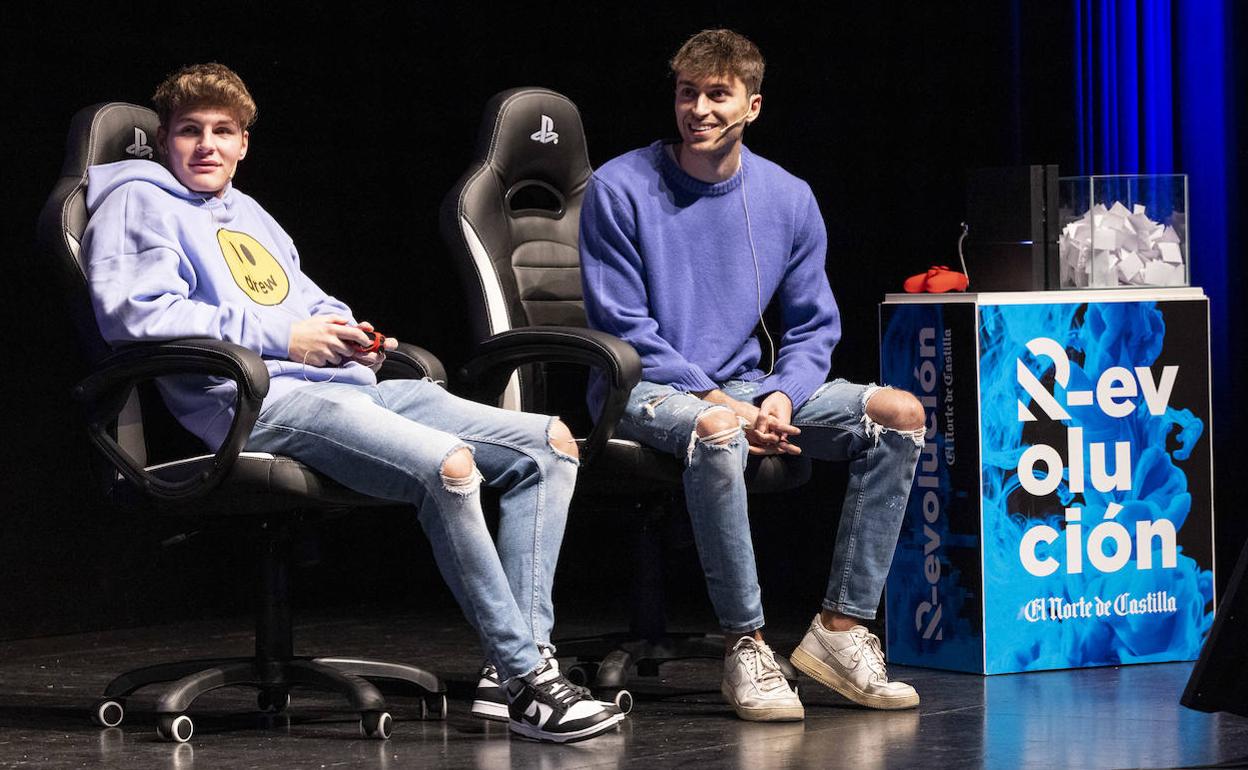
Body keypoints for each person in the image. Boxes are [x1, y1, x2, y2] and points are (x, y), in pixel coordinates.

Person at [82, 62, 621, 744]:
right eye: (190, 131)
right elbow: (136, 314)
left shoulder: (246, 213)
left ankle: (513, 667)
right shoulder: (139, 199)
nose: (207, 146)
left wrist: (351, 337)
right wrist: (286, 337)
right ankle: (527, 685)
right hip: (250, 407)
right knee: (450, 468)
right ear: (164, 139)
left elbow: (306, 301)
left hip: (339, 390)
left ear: (245, 143)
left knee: (547, 444)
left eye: (223, 131)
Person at [579, 30, 926, 721]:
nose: (698, 110)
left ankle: (841, 631)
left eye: (717, 95)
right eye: (687, 93)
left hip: (746, 386)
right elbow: (624, 327)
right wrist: (723, 404)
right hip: (642, 389)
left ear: (752, 106)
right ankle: (747, 645)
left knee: (901, 415)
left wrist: (778, 396)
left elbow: (813, 327)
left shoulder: (788, 197)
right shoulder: (619, 187)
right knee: (715, 430)